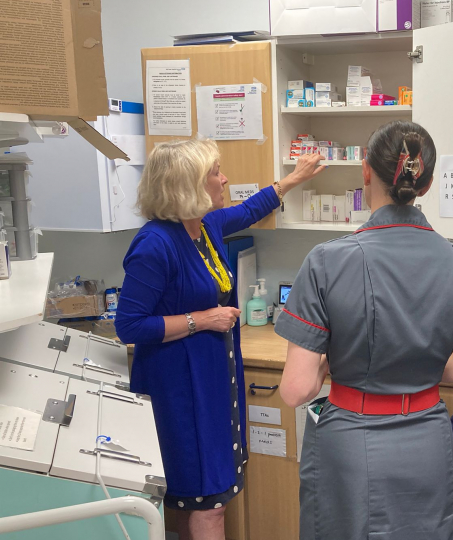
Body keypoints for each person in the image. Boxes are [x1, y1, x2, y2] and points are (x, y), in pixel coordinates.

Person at [275, 120, 453, 540]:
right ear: (425, 186)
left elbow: (295, 390)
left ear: (366, 172)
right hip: (428, 441)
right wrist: (415, 359)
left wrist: (330, 359)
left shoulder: (326, 262)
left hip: (352, 443)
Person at [116, 139, 325, 540]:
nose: (224, 178)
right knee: (206, 503)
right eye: (215, 172)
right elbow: (130, 325)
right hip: (179, 389)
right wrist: (201, 319)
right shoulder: (155, 243)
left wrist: (293, 179)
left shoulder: (204, 227)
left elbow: (249, 210)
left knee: (192, 499)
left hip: (212, 382)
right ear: (187, 185)